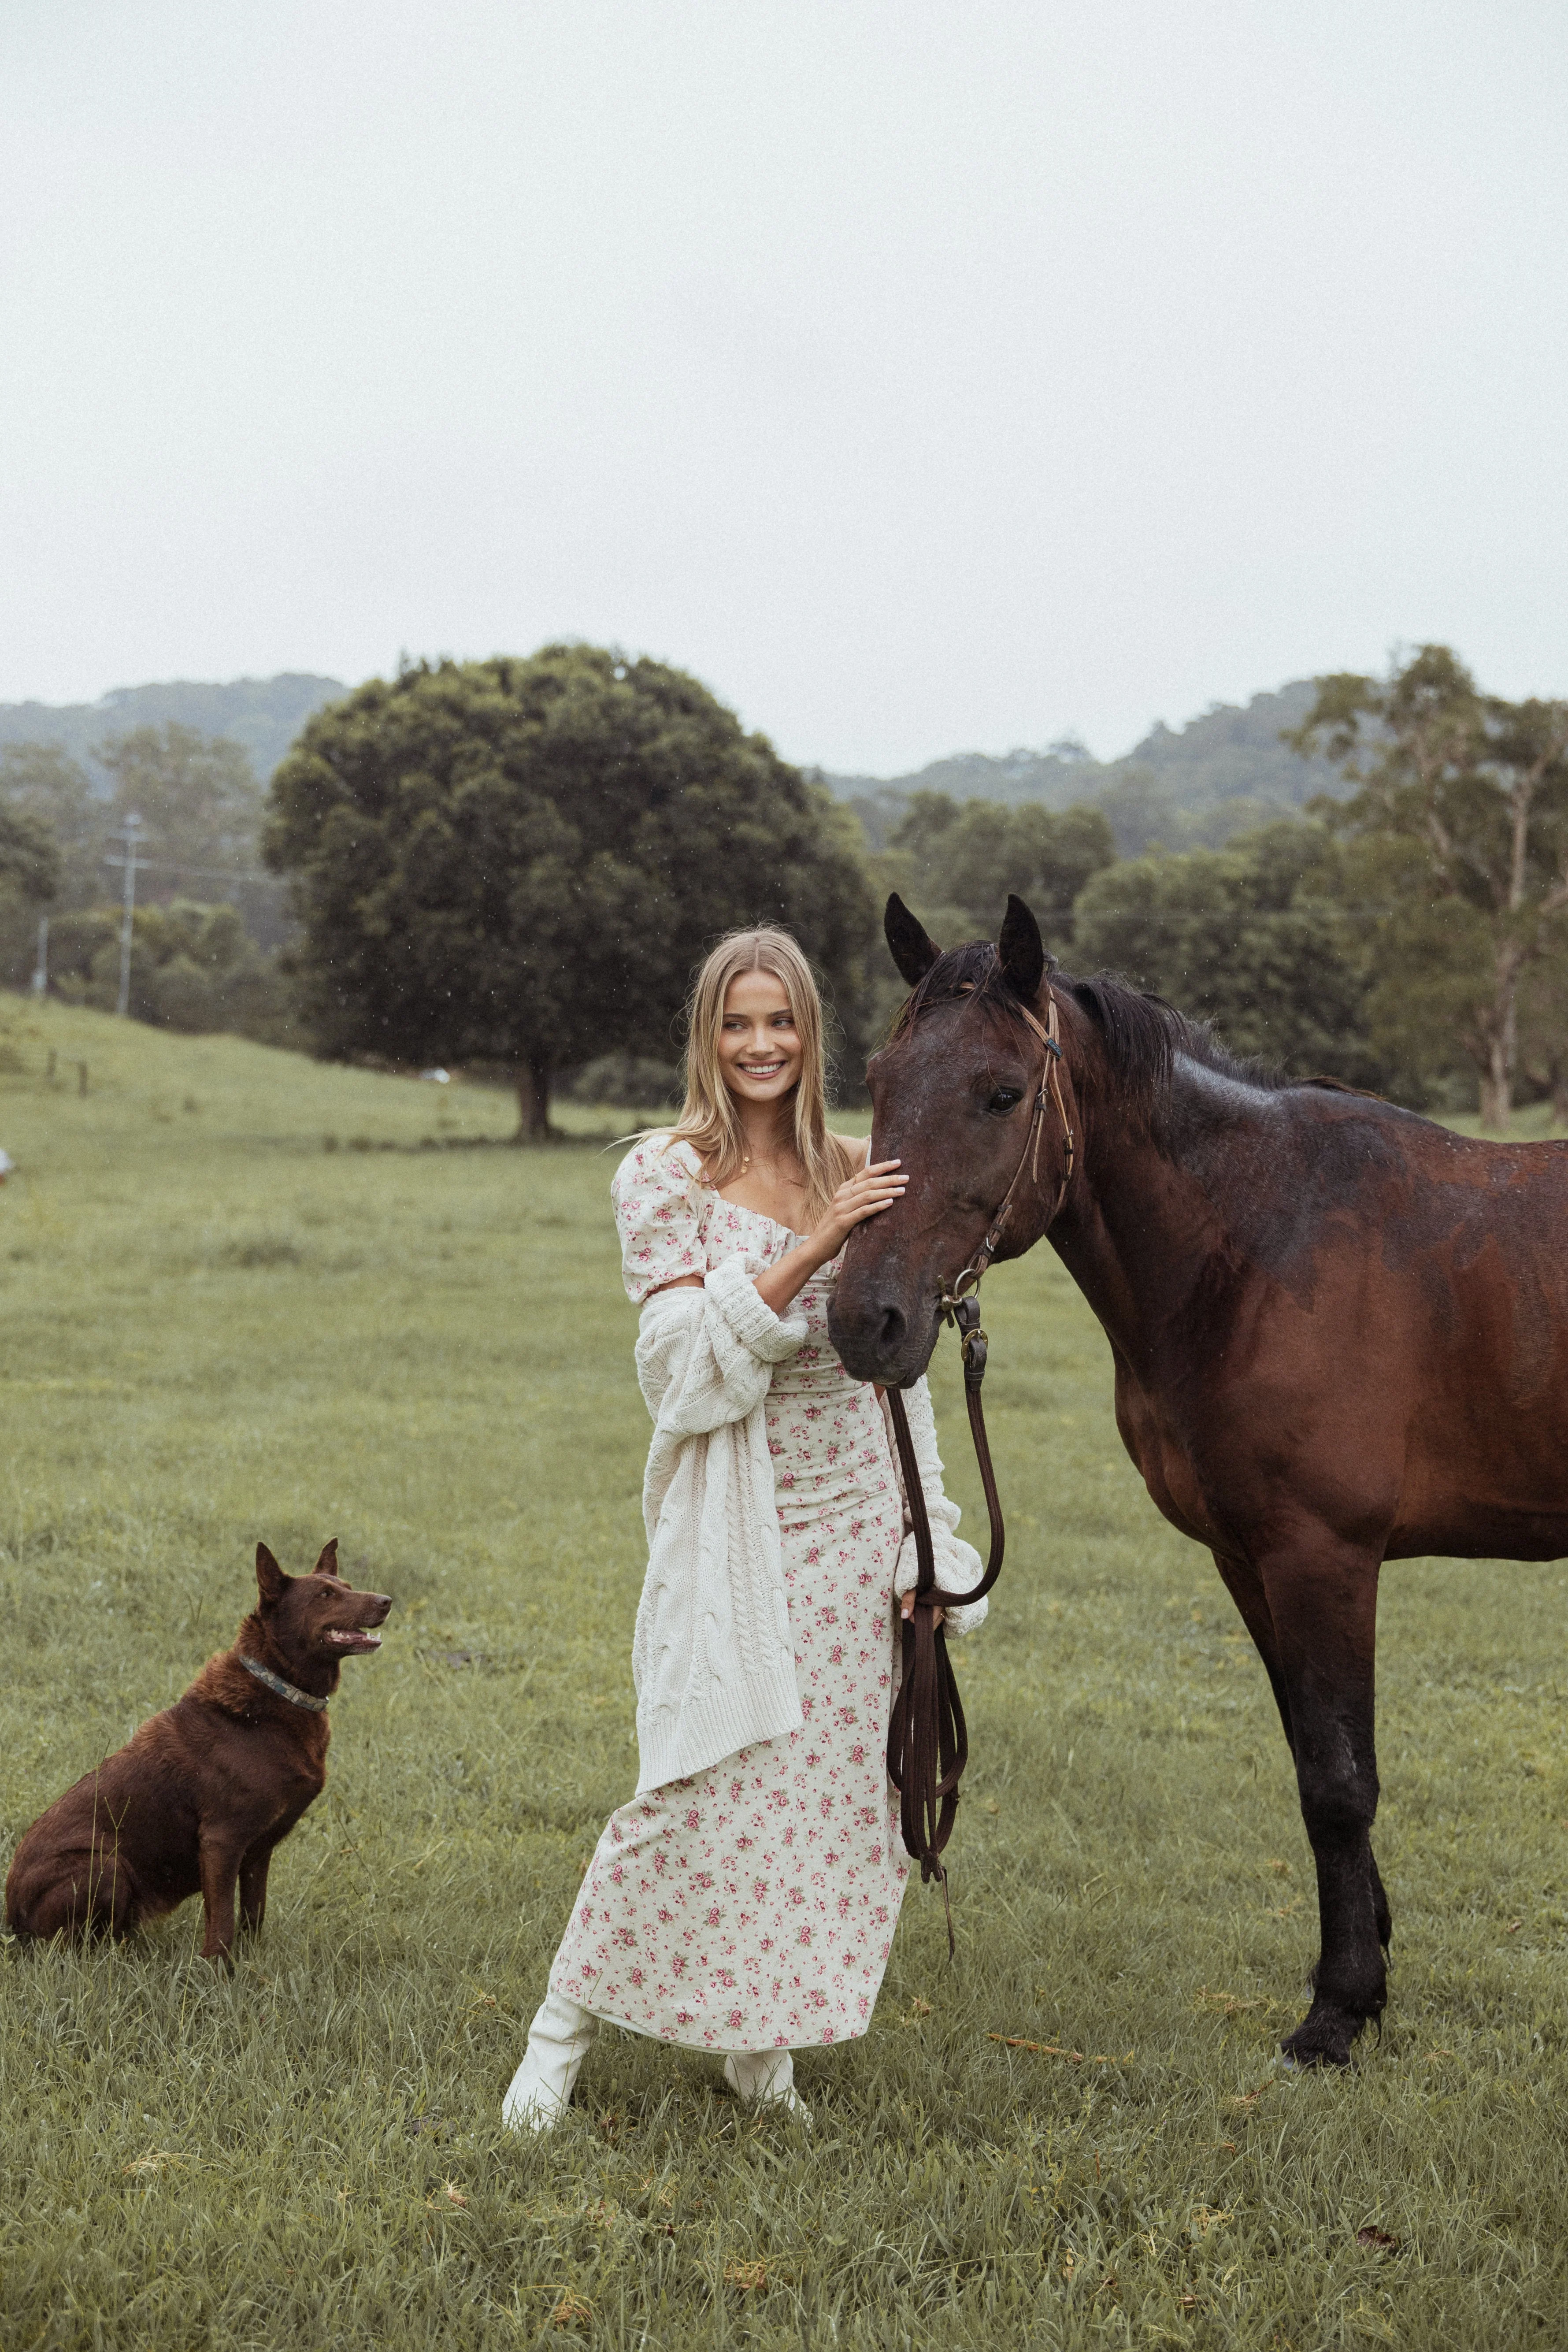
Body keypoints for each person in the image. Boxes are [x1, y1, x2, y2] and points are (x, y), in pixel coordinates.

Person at [501, 926, 987, 2133]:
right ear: (706, 1037)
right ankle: (559, 2035)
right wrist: (817, 1243)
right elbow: (678, 1373)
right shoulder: (664, 1176)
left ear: (810, 1033)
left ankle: (760, 2054)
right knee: (694, 1785)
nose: (760, 1045)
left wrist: (928, 1543)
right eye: (737, 1023)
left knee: (825, 1803)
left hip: (858, 1515)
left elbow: (905, 1380)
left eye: (781, 1022)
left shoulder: (860, 1164)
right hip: (738, 1521)